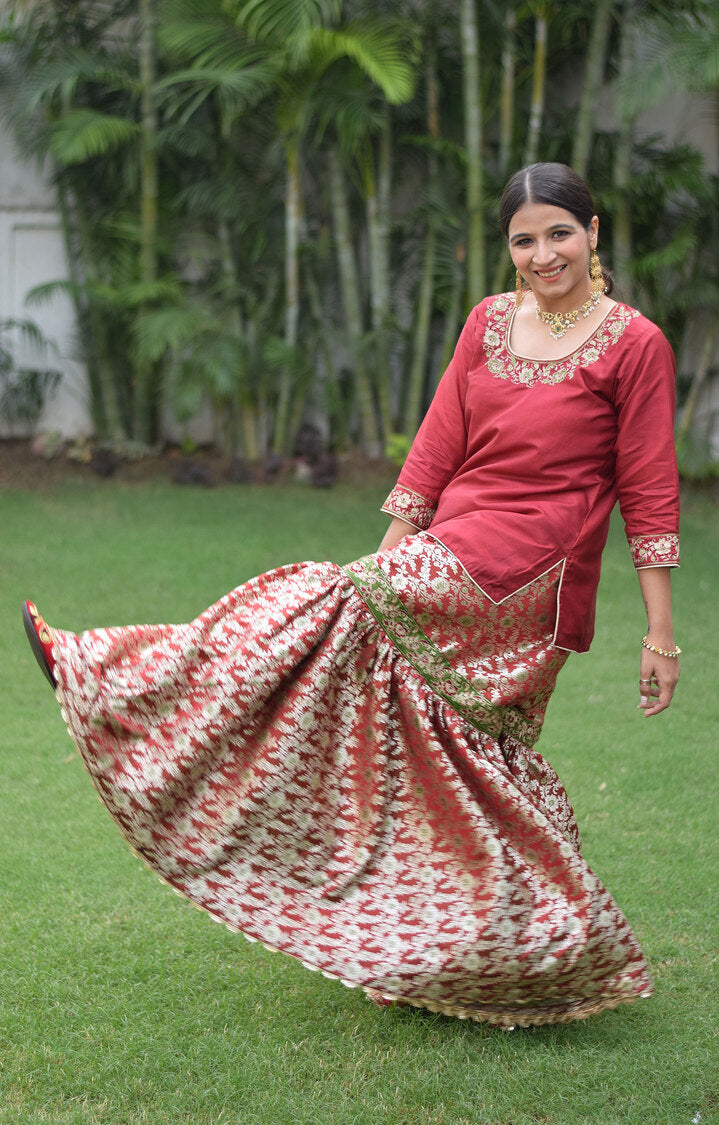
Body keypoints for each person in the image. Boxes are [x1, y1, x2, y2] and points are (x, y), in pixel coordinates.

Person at [23, 162, 680, 1030]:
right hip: (455, 542)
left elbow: (650, 487)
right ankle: (500, 950)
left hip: (537, 568)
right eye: (524, 238)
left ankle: (115, 672)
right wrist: (379, 570)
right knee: (447, 752)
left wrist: (660, 635)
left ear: (594, 233)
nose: (543, 252)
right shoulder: (487, 322)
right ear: (507, 246)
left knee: (327, 616)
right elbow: (436, 450)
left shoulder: (636, 344)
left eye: (560, 232)